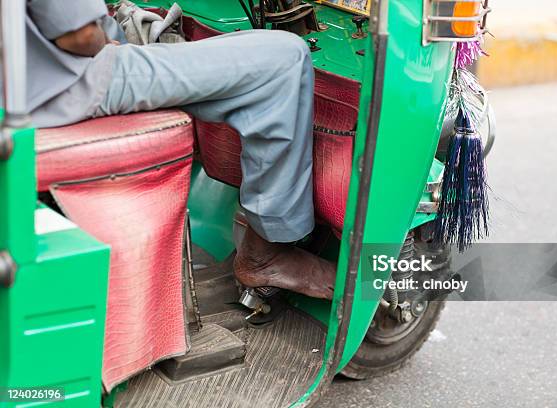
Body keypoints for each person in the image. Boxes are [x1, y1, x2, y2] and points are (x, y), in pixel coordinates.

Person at [26, 0, 336, 299]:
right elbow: (78, 35)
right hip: (64, 85)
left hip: (32, 83)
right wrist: (108, 43)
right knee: (284, 57)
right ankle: (267, 254)